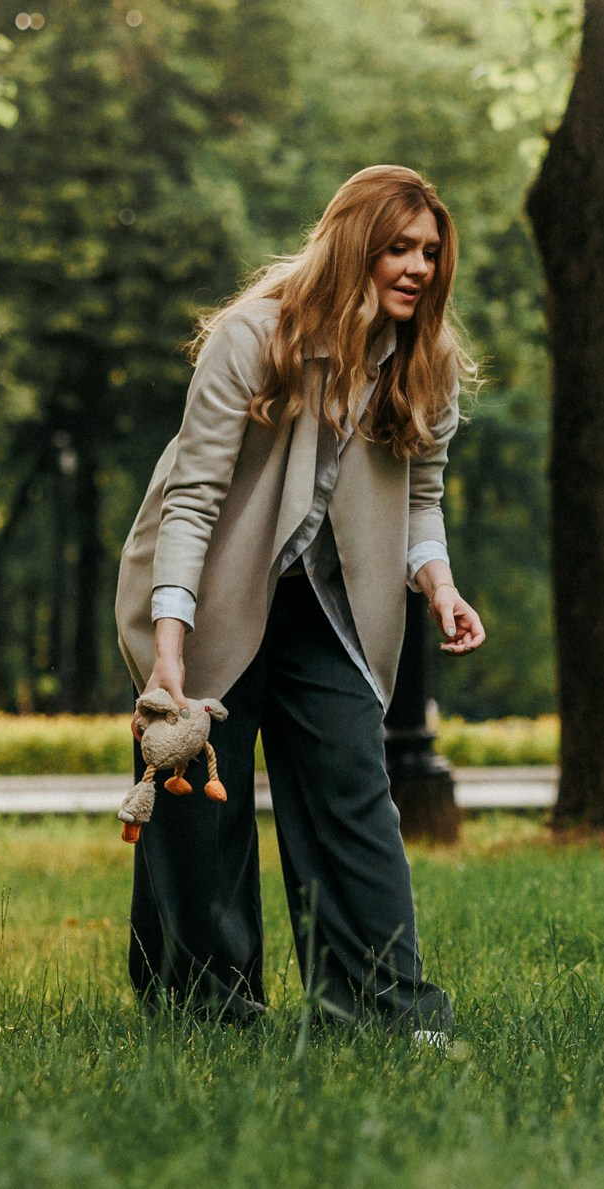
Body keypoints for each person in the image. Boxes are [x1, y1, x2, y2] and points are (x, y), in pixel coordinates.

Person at [113, 164, 485, 1036]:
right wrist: (169, 650)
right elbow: (193, 495)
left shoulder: (426, 360)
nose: (418, 266)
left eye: (430, 251)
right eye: (398, 247)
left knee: (354, 788)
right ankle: (205, 1004)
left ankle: (383, 1007)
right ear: (352, 244)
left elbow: (420, 498)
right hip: (209, 590)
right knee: (196, 793)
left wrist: (438, 583)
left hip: (329, 600)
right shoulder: (251, 338)